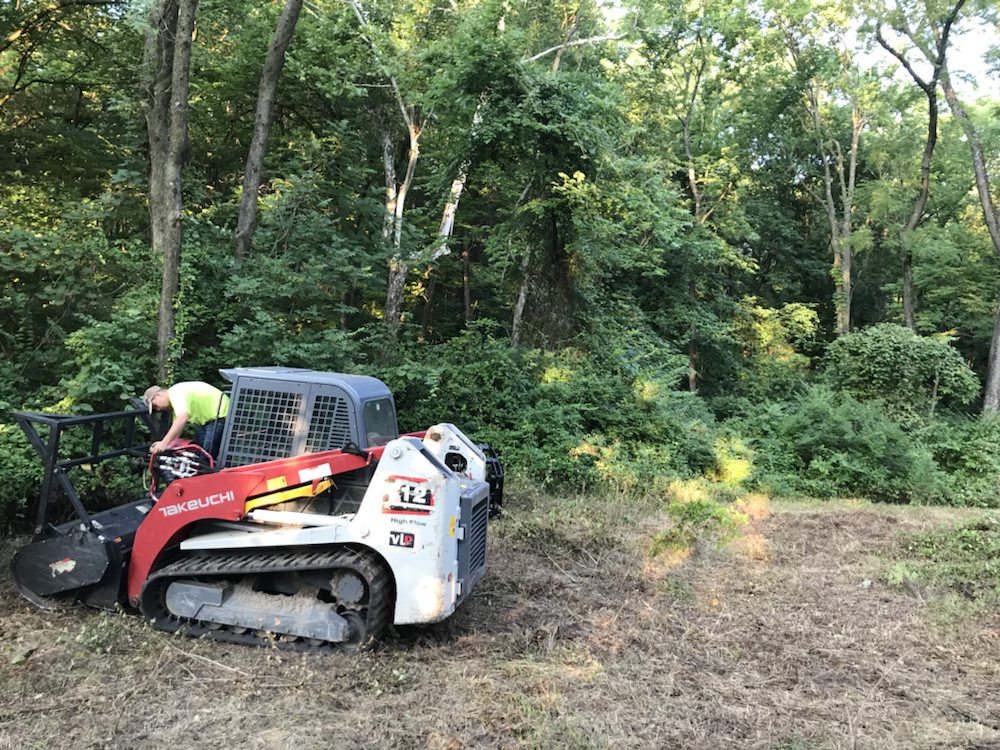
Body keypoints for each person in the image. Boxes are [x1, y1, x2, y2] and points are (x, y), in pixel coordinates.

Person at [143, 381, 230, 460]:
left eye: (155, 406)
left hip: (222, 415)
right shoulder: (175, 400)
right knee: (197, 451)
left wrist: (164, 443)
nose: (158, 409)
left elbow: (182, 418)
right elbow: (177, 430)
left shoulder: (175, 393)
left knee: (205, 457)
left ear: (158, 395)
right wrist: (166, 445)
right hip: (212, 420)